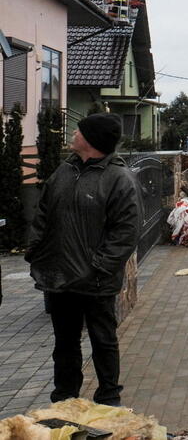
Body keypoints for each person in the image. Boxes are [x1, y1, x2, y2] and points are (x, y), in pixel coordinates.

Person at [24, 113, 139, 407]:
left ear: (91, 140)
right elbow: (43, 214)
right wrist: (37, 250)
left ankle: (108, 397)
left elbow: (124, 233)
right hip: (60, 277)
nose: (74, 133)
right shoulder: (64, 171)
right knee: (64, 344)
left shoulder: (118, 179)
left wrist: (98, 267)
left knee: (103, 340)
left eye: (79, 131)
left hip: (96, 280)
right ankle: (65, 398)